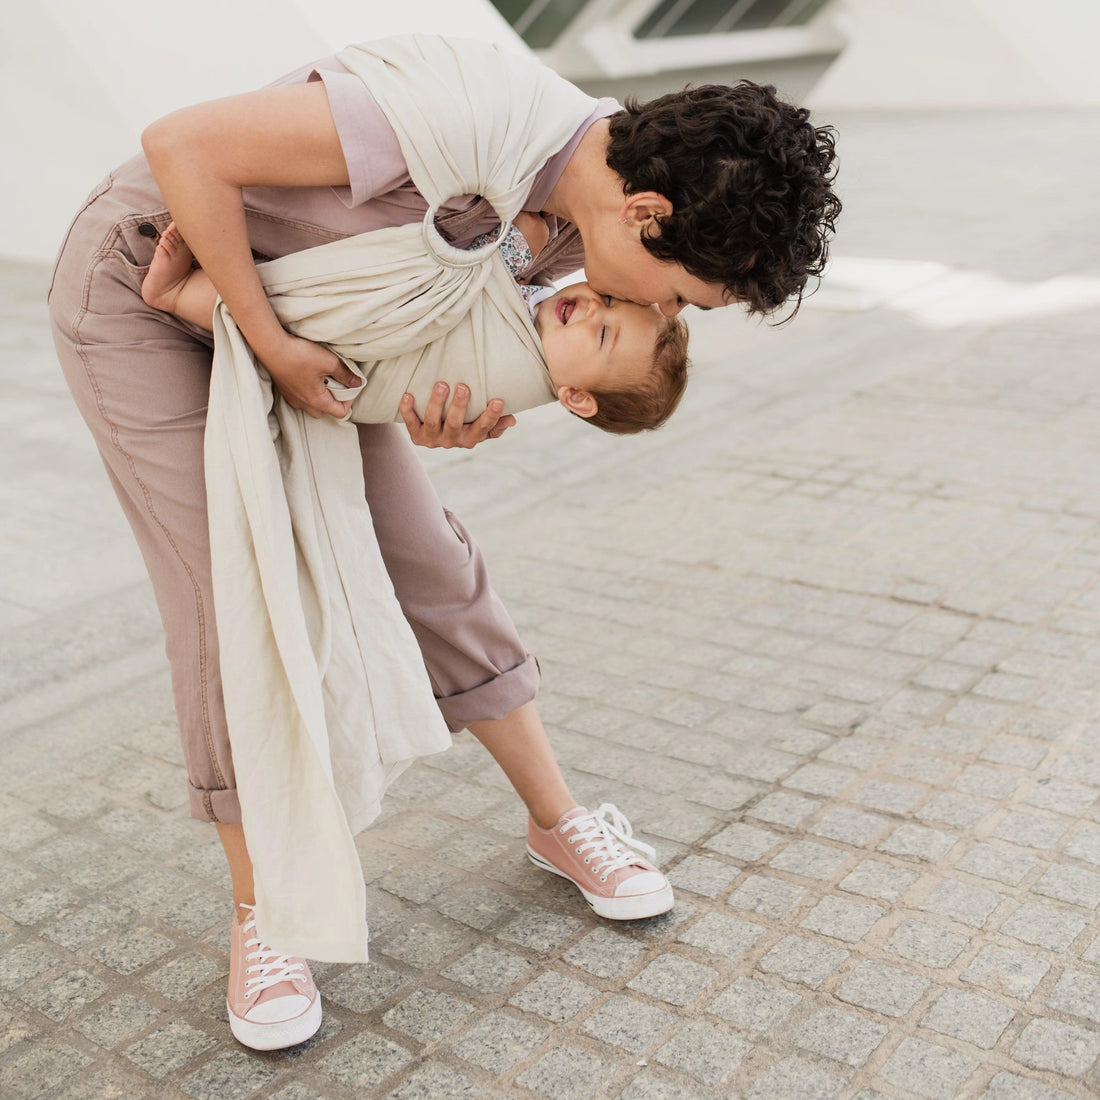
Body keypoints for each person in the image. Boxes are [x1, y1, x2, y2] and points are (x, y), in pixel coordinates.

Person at [48, 33, 839, 1051]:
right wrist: (269, 339)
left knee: (428, 559)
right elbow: (180, 144)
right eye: (681, 293)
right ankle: (269, 907)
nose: (661, 311)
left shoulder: (574, 233)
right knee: (228, 589)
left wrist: (433, 404)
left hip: (315, 325)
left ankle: (558, 820)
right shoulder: (477, 116)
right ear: (646, 217)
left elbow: (434, 321)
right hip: (148, 286)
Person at [141, 219, 690, 433]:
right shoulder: (546, 320)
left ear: (574, 397)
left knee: (314, 313)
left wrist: (524, 235)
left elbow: (474, 271)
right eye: (610, 300)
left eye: (602, 334)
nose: (592, 307)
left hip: (352, 365)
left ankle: (175, 293)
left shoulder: (513, 373)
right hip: (357, 349)